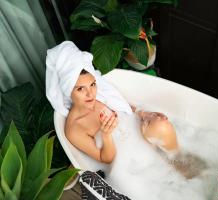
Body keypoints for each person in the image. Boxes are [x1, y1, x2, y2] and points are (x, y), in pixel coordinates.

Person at [46, 41, 179, 165]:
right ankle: (172, 164)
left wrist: (143, 114)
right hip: (130, 160)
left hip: (137, 135)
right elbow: (106, 159)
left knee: (162, 126)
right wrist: (106, 134)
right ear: (68, 90)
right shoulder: (74, 130)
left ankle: (178, 159)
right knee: (165, 157)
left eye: (92, 84)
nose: (90, 93)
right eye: (81, 89)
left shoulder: (100, 95)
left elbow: (122, 107)